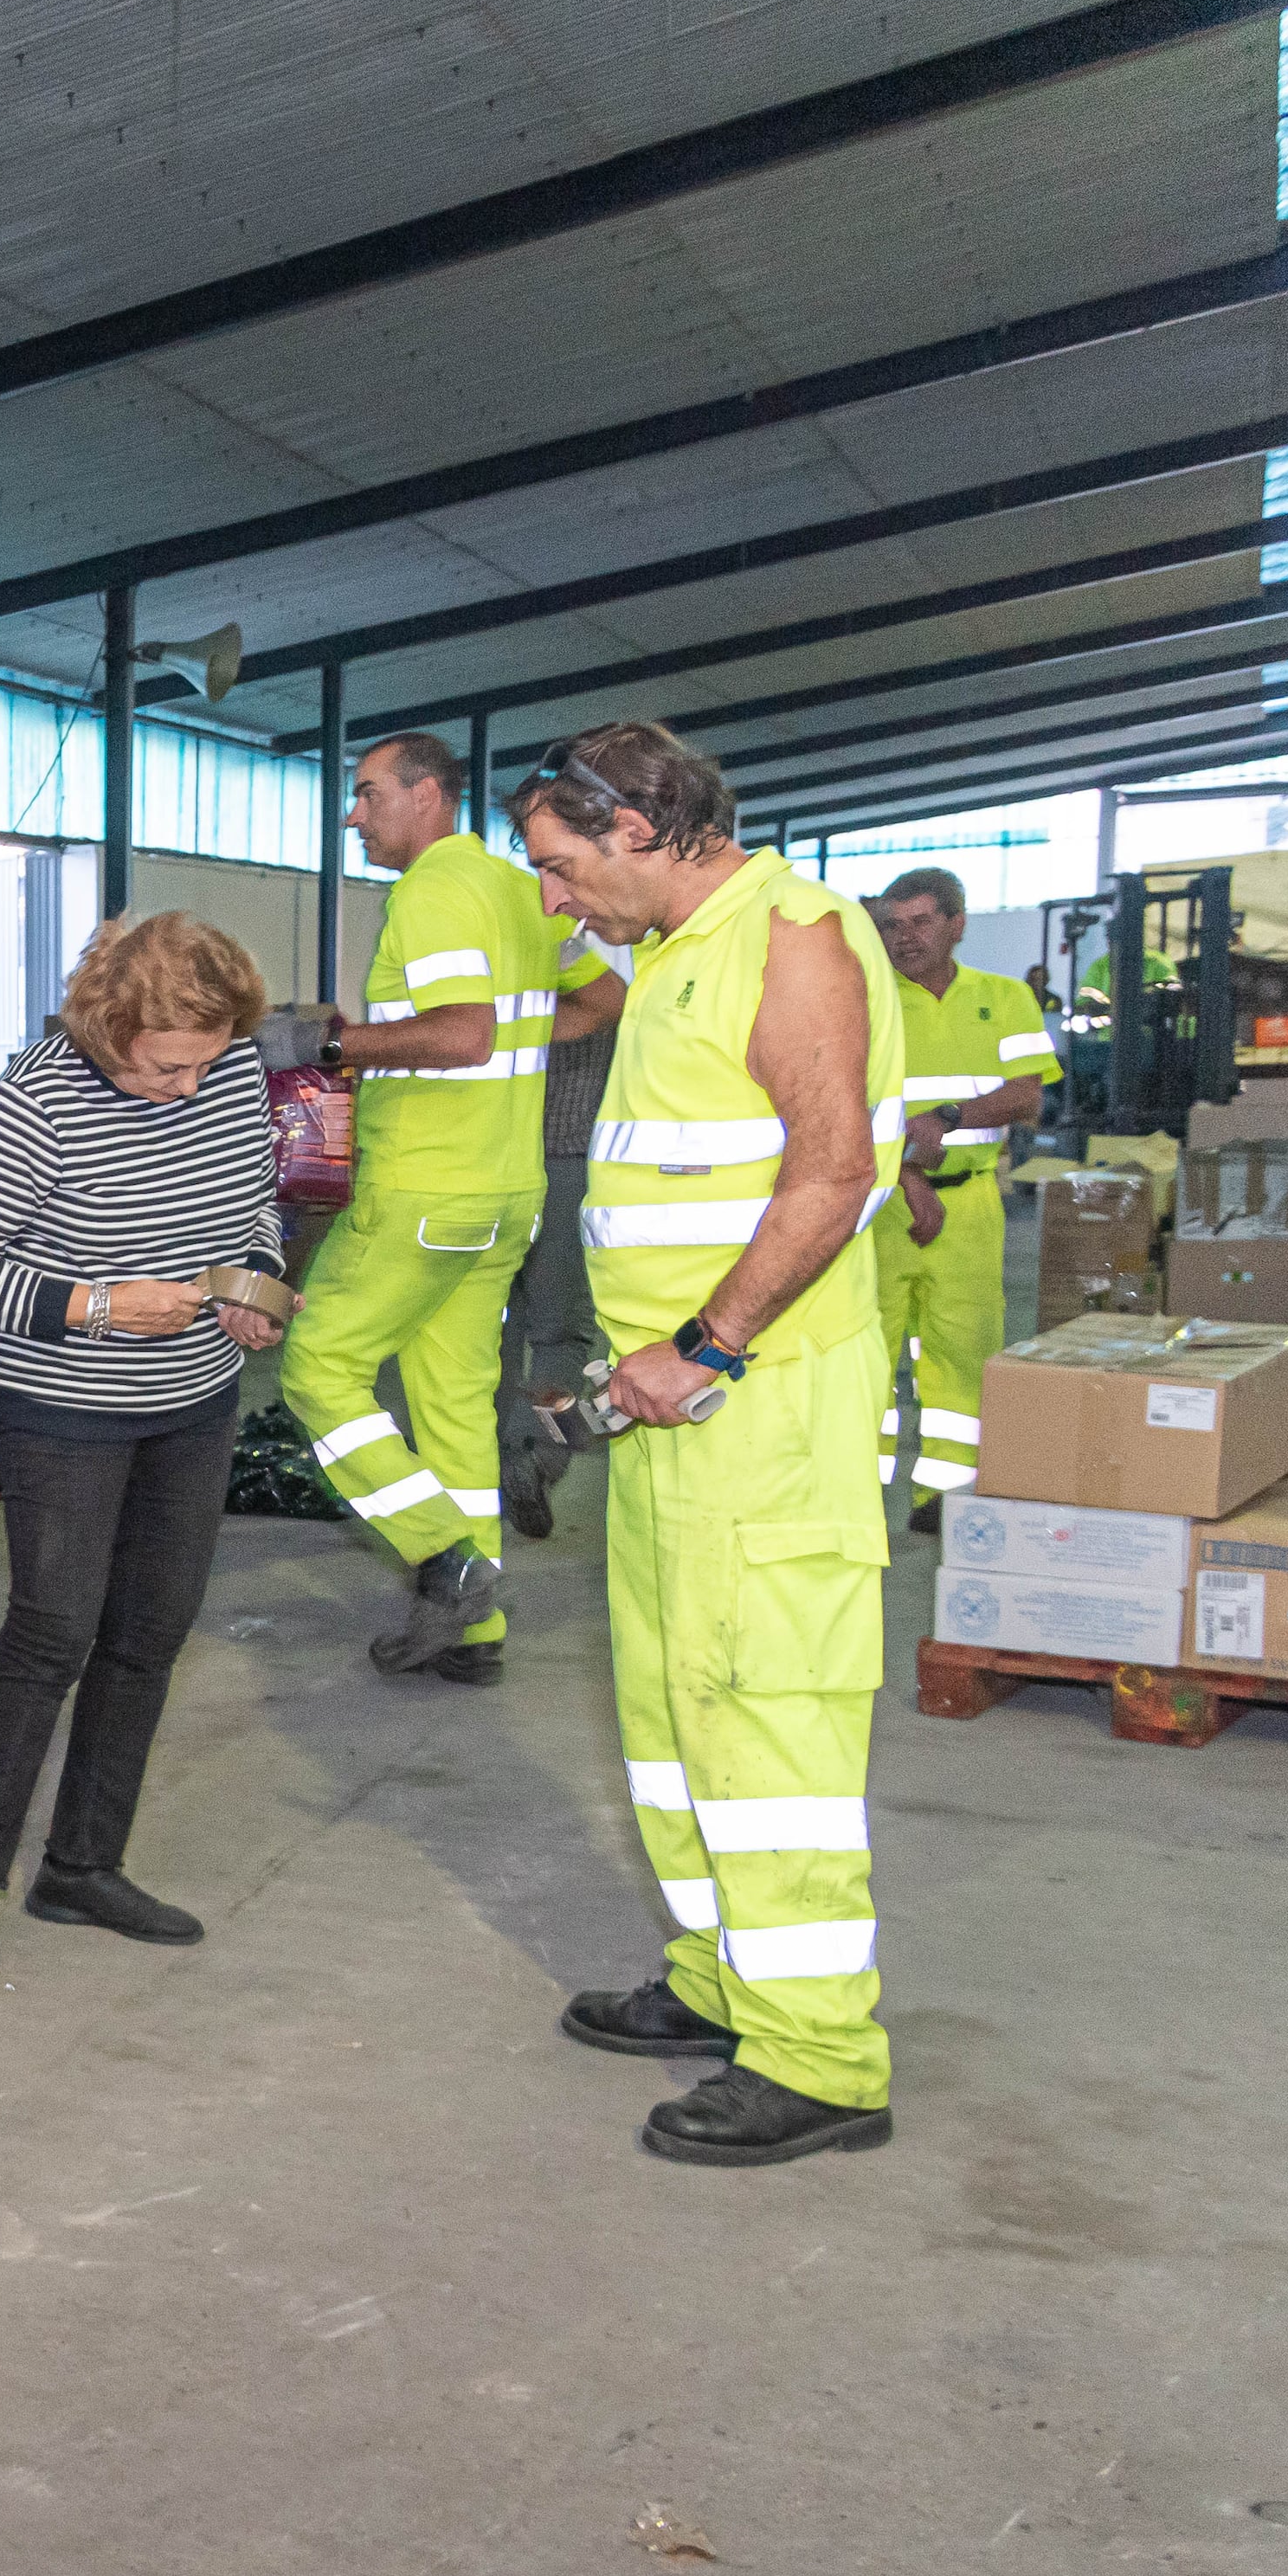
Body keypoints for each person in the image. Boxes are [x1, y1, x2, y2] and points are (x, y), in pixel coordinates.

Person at [511, 721, 904, 2169]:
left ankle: (818, 2056)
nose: (555, 901)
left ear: (634, 827)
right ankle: (725, 1979)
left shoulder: (792, 941)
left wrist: (713, 1341)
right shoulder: (676, 950)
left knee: (768, 1718)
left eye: (560, 867)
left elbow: (834, 1170)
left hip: (759, 1406)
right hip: (671, 1418)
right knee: (678, 1717)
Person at [0, 915, 288, 1980]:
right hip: (60, 1405)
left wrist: (252, 1281)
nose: (188, 1084)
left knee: (147, 1634)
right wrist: (91, 1303)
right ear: (108, 1030)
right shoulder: (35, 1101)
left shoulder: (226, 1065)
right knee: (50, 1633)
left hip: (194, 1396)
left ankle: (80, 1865)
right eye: (167, 1066)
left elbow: (250, 1200)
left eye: (206, 1061)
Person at [270, 732, 622, 1684]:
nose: (354, 814)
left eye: (367, 793)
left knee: (315, 1363)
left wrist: (333, 1045)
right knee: (455, 1406)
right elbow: (600, 999)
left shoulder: (430, 889)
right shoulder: (522, 889)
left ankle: (443, 1554)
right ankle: (471, 1630)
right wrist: (513, 1038)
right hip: (505, 1194)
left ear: (428, 795)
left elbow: (462, 1036)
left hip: (426, 1187)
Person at [870, 867, 1054, 1530]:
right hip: (876, 1204)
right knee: (867, 1358)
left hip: (973, 1202)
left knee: (963, 1358)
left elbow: (1026, 1096)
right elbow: (845, 1106)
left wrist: (946, 1116)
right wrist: (908, 1177)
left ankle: (944, 1499)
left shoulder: (1004, 999)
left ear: (957, 924)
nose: (904, 938)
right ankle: (856, 1499)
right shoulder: (866, 1001)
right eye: (893, 925)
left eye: (920, 922)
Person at [491, 926, 625, 1542]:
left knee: (493, 1331)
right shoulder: (615, 987)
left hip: (492, 1166)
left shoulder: (498, 985)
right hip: (570, 1166)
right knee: (563, 1334)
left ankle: (489, 1462)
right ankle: (537, 1453)